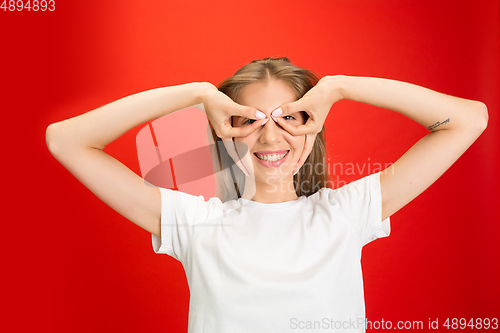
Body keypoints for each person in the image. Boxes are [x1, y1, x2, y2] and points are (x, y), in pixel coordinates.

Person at [46, 57, 488, 332]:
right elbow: (65, 140)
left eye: (289, 118)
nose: (270, 135)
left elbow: (468, 120)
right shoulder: (196, 224)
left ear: (313, 126)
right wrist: (197, 94)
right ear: (227, 131)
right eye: (250, 119)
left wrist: (339, 87)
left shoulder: (347, 212)